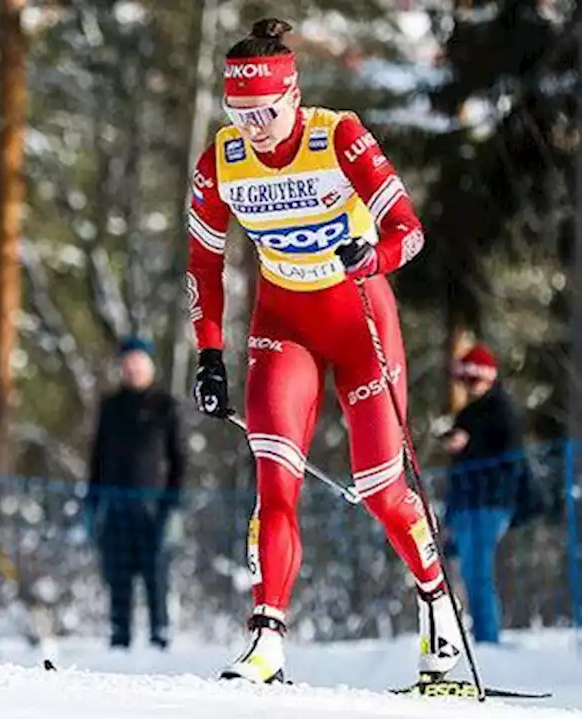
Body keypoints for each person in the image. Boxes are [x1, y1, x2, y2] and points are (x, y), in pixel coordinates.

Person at [184, 18, 460, 684]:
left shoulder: (338, 135)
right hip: (285, 323)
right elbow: (202, 261)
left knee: (380, 486)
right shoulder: (222, 158)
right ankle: (266, 638)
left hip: (361, 320)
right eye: (239, 111)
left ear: (294, 96)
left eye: (267, 111)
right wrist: (210, 353)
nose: (254, 126)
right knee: (274, 479)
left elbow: (410, 230)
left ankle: (438, 609)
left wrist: (375, 256)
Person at [84, 335, 186, 650]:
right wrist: (92, 501)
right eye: (127, 363)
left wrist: (174, 504)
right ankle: (119, 635)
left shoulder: (165, 406)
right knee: (118, 574)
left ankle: (160, 633)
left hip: (154, 506)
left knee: (156, 572)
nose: (133, 369)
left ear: (149, 365)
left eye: (138, 362)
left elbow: (178, 458)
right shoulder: (110, 406)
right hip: (115, 504)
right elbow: (97, 456)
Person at [441, 343, 529, 644]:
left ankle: (487, 639)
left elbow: (508, 457)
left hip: (489, 503)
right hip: (465, 503)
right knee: (467, 573)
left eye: (474, 380)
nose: (469, 386)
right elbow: (458, 470)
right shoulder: (466, 414)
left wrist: (469, 443)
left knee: (477, 573)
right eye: (464, 381)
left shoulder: (502, 410)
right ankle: (479, 635)